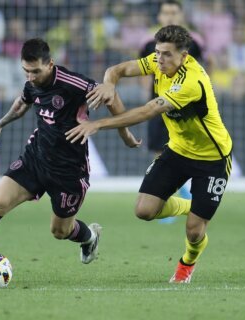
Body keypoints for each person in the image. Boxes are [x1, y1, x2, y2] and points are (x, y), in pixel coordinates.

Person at [0, 38, 140, 280]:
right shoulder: (31, 83)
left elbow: (111, 96)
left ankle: (90, 237)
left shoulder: (73, 83)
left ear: (51, 64)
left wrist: (124, 132)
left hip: (69, 170)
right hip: (36, 158)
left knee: (60, 230)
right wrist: (0, 124)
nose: (30, 77)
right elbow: (23, 102)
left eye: (35, 71)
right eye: (26, 71)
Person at [66, 25, 233, 283]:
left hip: (212, 158)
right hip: (178, 151)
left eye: (167, 54)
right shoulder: (156, 62)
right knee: (143, 210)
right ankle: (195, 206)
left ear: (184, 56)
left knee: (194, 232)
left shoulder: (192, 82)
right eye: (157, 53)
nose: (160, 59)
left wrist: (97, 124)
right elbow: (117, 70)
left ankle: (186, 264)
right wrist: (109, 84)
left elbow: (147, 111)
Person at [140, 0, 204, 203]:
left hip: (186, 109)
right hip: (159, 107)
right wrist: (148, 102)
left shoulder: (194, 43)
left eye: (173, 13)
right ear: (159, 17)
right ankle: (165, 197)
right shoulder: (149, 45)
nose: (169, 17)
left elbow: (203, 73)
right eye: (165, 13)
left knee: (188, 151)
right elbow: (145, 76)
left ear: (181, 16)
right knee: (160, 153)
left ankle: (188, 194)